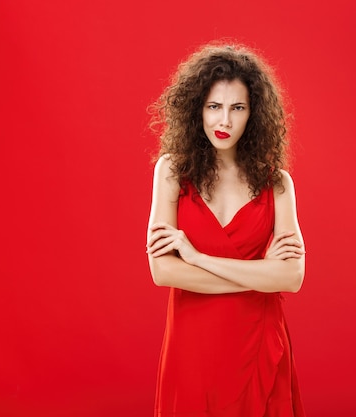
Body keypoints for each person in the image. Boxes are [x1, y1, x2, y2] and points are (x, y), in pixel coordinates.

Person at [146, 41, 306, 417]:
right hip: (192, 347)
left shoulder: (277, 183)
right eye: (214, 107)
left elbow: (293, 277)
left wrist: (197, 258)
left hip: (259, 343)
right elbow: (162, 270)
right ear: (196, 110)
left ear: (254, 114)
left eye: (238, 108)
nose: (225, 122)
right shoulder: (171, 171)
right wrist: (262, 275)